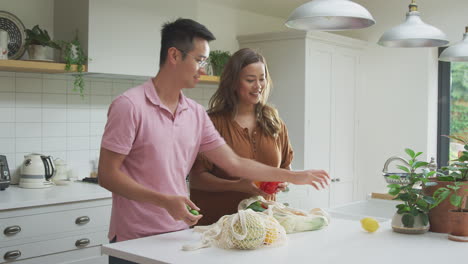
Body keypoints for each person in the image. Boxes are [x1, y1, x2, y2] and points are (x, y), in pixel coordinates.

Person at [98, 18, 329, 260]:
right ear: (174, 56)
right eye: (199, 60)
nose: (204, 69)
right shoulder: (129, 106)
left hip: (180, 235)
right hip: (134, 238)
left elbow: (235, 163)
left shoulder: (194, 113)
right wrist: (164, 201)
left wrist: (294, 176)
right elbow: (107, 174)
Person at [190, 48, 301, 225]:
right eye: (250, 80)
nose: (258, 86)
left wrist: (283, 181)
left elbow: (286, 167)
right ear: (233, 82)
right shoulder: (212, 124)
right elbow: (196, 180)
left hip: (262, 227)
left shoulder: (275, 123)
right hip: (216, 229)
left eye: (262, 78)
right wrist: (236, 185)